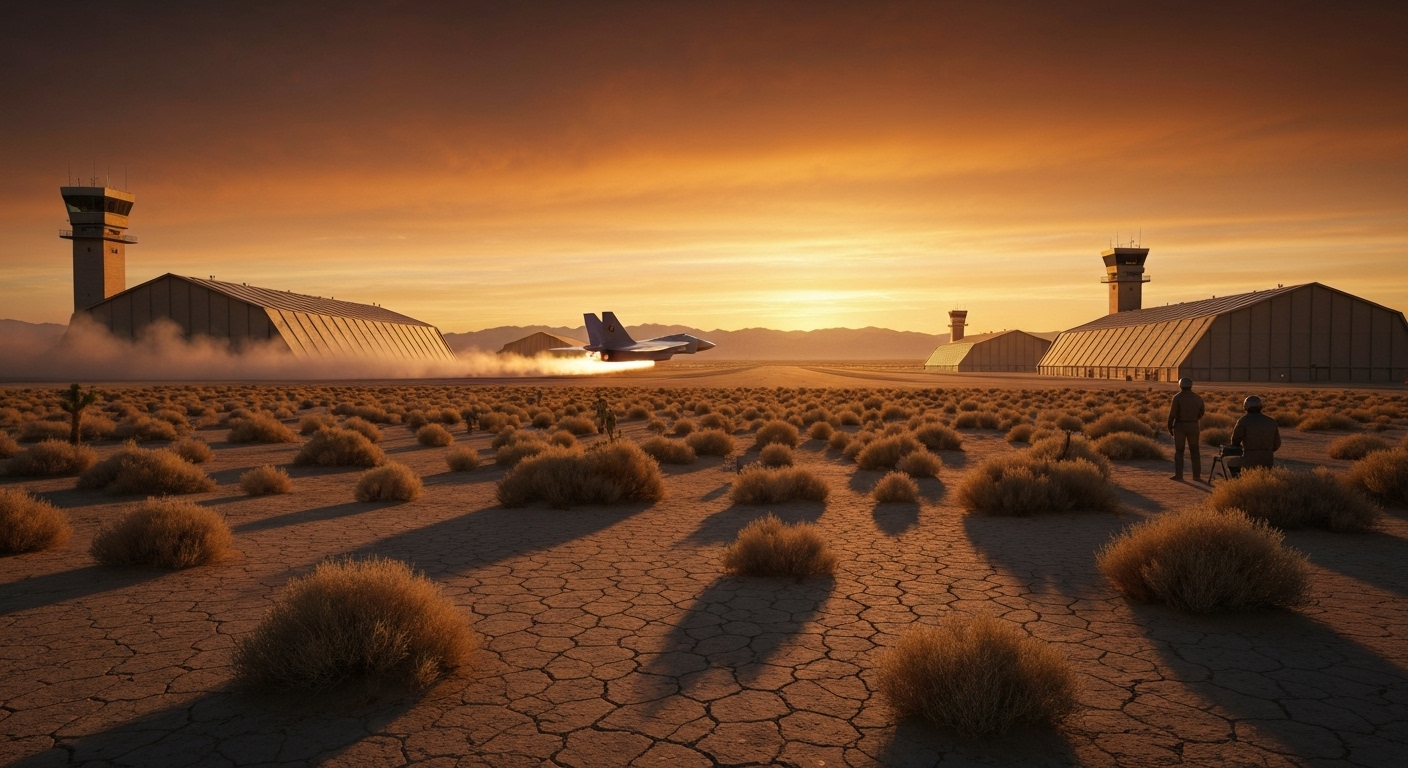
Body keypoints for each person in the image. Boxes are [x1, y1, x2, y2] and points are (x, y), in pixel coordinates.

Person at [1230, 395, 1281, 475]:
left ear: (1246, 407)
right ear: (1260, 406)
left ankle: (1237, 482)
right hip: (1268, 459)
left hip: (1249, 458)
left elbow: (1235, 441)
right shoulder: (1271, 421)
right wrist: (1266, 450)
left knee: (1231, 462)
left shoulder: (1243, 421)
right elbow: (1277, 444)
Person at [1167, 377, 1205, 482]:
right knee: (1195, 451)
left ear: (1180, 385)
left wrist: (1170, 426)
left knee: (1179, 451)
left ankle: (1179, 475)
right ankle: (1196, 476)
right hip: (1193, 426)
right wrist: (1194, 419)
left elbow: (1172, 414)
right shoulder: (1198, 398)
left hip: (1180, 426)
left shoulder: (1177, 398)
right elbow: (1202, 412)